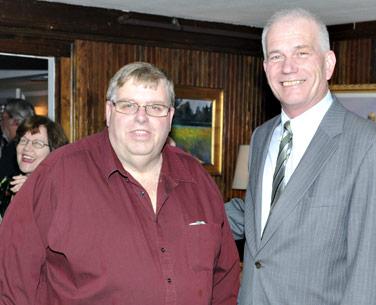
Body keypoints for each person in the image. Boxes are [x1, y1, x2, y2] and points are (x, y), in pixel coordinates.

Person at [0, 62, 240, 305]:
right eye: (128, 106)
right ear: (108, 111)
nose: (141, 118)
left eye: (155, 107)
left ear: (170, 117)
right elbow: (12, 274)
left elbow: (225, 278)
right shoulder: (57, 174)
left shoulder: (197, 180)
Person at [225, 8, 376, 305]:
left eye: (301, 53)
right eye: (277, 56)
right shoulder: (261, 137)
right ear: (266, 68)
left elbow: (372, 275)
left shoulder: (371, 146)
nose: (288, 67)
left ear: (328, 63)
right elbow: (262, 217)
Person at [0, 115, 68, 218]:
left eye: (37, 143)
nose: (27, 148)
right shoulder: (6, 184)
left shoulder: (61, 189)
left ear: (53, 151)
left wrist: (35, 192)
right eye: (23, 141)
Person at [0, 98, 35, 180]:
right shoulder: (34, 144)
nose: (1, 124)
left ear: (15, 121)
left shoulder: (13, 149)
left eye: (3, 119)